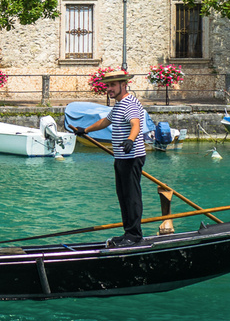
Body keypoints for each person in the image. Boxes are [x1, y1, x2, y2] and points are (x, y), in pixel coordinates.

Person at [74, 69, 172, 245]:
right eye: (108, 85)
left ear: (123, 84)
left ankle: (134, 235)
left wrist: (130, 140)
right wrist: (85, 130)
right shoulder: (119, 104)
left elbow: (135, 123)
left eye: (112, 85)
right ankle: (128, 233)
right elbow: (105, 121)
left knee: (131, 196)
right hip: (121, 157)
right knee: (123, 196)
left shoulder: (130, 104)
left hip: (132, 156)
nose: (109, 89)